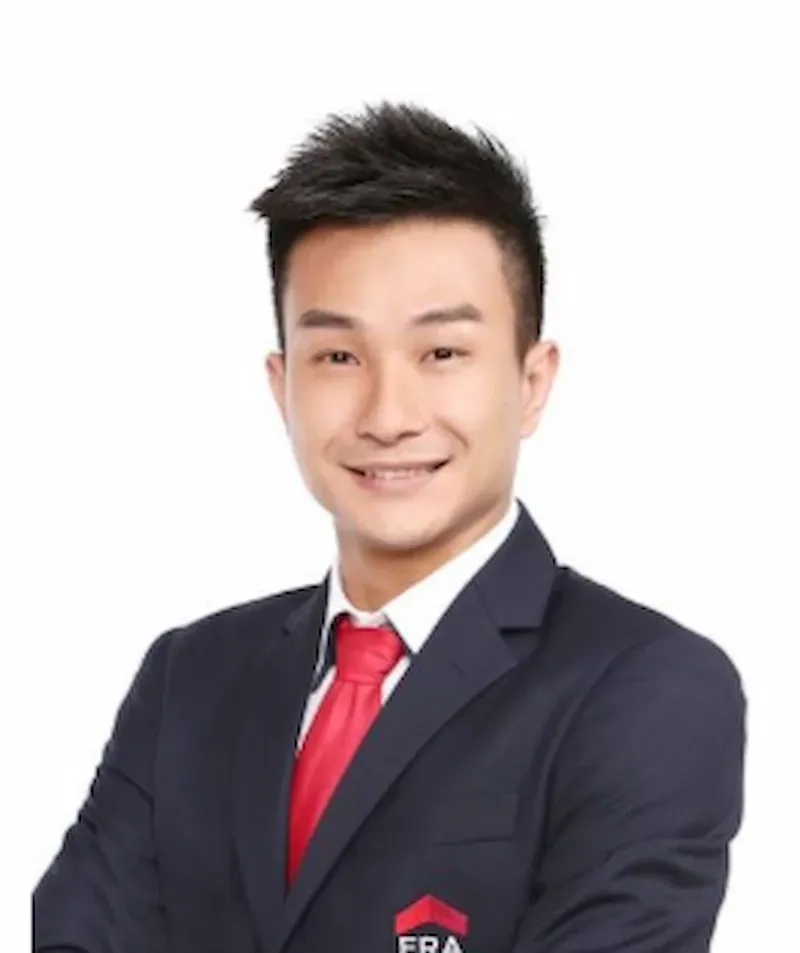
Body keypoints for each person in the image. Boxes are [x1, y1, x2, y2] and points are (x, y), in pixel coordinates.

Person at [33, 101, 746, 953]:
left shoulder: (646, 688)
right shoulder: (187, 680)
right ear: (282, 386)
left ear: (531, 382)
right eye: (339, 356)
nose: (387, 414)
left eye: (441, 353)